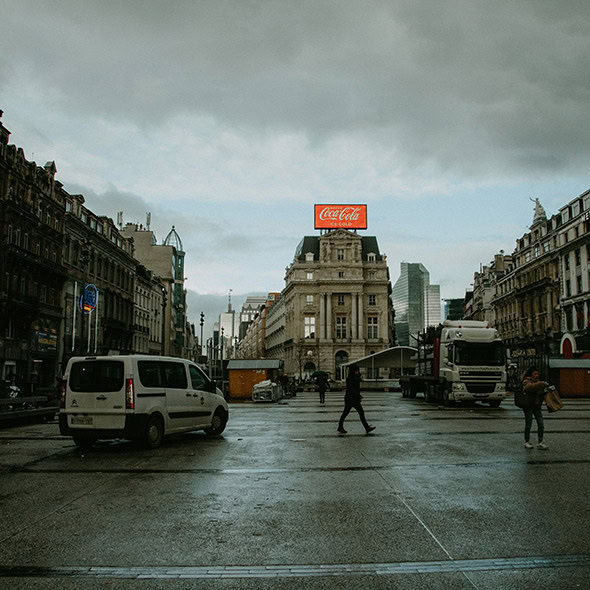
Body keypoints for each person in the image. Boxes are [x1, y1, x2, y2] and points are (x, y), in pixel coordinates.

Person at [337, 364, 375, 434]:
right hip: (350, 399)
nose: (357, 372)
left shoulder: (355, 377)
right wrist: (358, 395)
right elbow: (351, 389)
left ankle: (366, 427)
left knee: (359, 412)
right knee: (347, 413)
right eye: (356, 371)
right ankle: (366, 427)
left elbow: (356, 387)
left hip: (353, 399)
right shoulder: (350, 379)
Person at [521, 366, 549, 450]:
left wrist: (546, 389)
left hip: (537, 405)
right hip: (528, 405)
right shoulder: (526, 381)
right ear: (531, 374)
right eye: (535, 374)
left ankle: (540, 442)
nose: (537, 375)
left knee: (541, 424)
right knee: (528, 424)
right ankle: (527, 441)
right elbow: (529, 387)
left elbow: (541, 392)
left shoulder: (538, 382)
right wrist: (541, 384)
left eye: (537, 374)